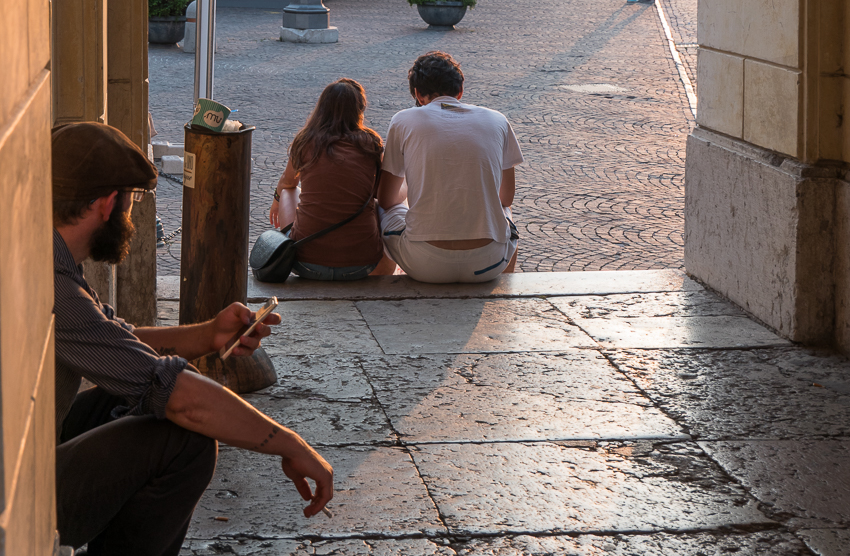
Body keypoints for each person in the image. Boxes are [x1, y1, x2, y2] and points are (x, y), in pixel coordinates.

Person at [52, 122, 333, 555]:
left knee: (123, 395)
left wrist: (209, 334)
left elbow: (116, 343)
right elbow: (179, 396)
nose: (130, 216)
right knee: (184, 438)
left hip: (37, 439)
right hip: (15, 487)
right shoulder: (52, 284)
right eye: (132, 202)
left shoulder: (46, 253)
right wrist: (289, 443)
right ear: (108, 204)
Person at [377, 52, 523, 284]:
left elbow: (385, 199)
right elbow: (506, 198)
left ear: (418, 94)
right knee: (505, 212)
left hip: (424, 264)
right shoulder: (498, 120)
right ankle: (504, 290)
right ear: (461, 90)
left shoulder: (403, 120)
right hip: (488, 264)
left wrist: (408, 186)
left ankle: (379, 284)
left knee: (382, 210)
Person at [270, 79, 396, 280]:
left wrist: (276, 200)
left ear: (321, 107)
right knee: (382, 202)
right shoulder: (371, 143)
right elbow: (379, 193)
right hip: (363, 265)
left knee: (290, 191)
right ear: (360, 110)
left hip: (304, 263)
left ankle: (293, 240)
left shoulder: (305, 141)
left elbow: (288, 182)